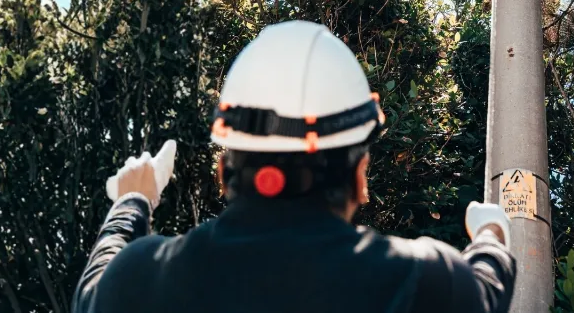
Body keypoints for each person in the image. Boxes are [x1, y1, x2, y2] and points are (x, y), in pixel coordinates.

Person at [72, 20, 516, 313]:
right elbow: (487, 285)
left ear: (224, 171)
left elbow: (95, 285)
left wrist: (133, 201)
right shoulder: (427, 282)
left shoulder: (139, 281)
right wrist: (491, 233)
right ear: (359, 178)